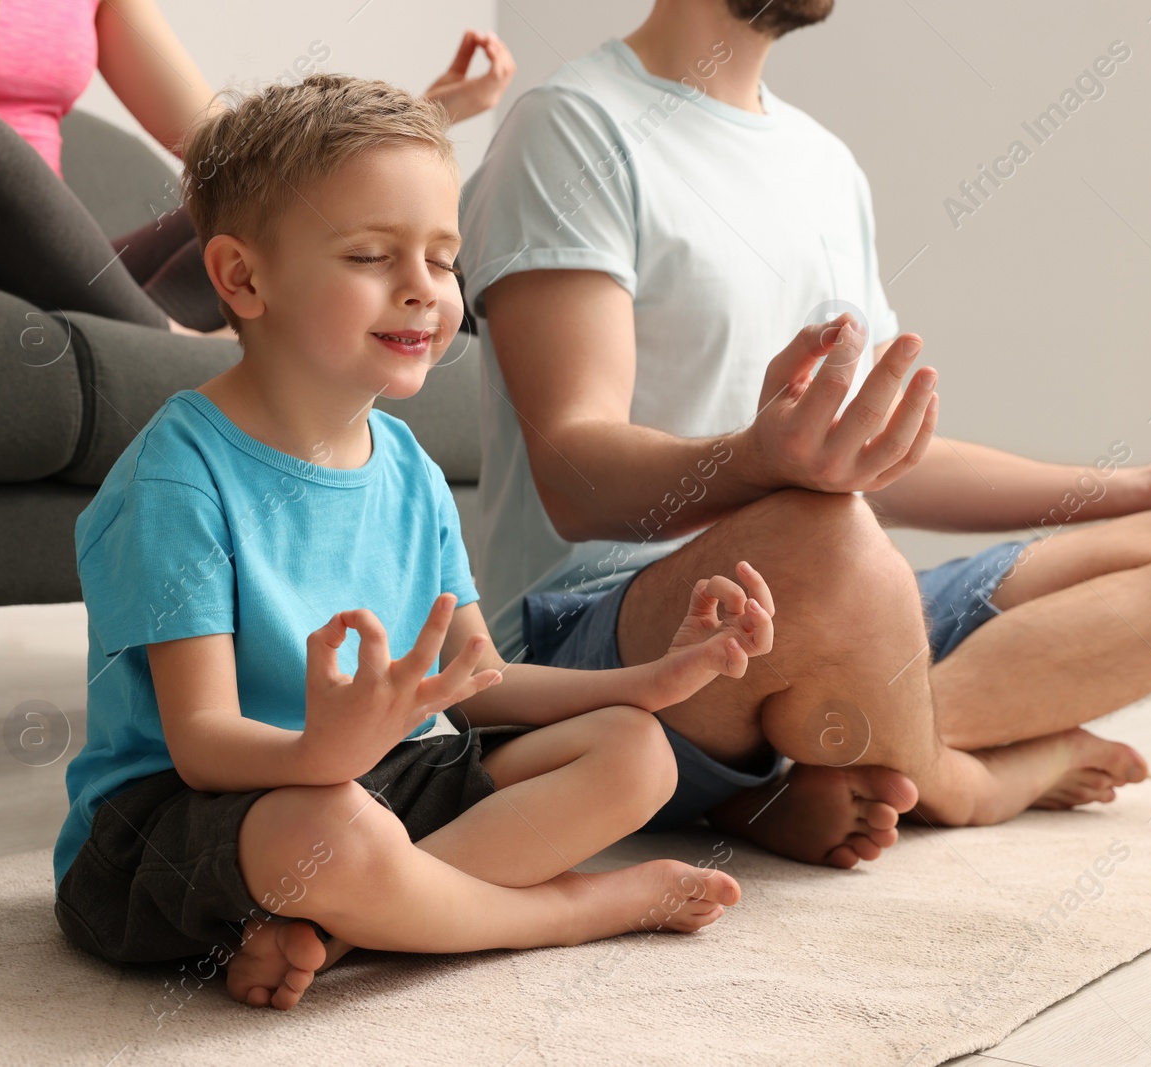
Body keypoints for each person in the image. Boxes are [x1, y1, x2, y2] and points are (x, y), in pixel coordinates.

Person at [458, 0, 1151, 866]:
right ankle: (959, 780)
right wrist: (755, 462)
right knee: (827, 527)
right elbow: (572, 474)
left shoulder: (824, 164)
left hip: (833, 600)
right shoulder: (571, 128)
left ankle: (813, 763)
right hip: (597, 637)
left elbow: (877, 466)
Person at [52, 74, 761, 1013]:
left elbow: (477, 683)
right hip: (184, 821)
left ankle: (342, 929)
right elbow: (203, 746)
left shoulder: (412, 470)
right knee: (336, 823)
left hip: (374, 779)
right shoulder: (180, 473)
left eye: (442, 256)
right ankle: (561, 911)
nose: (425, 290)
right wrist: (326, 748)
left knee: (640, 753)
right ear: (242, 277)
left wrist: (646, 683)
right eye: (372, 254)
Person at [0, 0, 515, 333]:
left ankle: (143, 335)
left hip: (39, 256)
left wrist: (414, 121)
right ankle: (172, 352)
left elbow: (227, 147)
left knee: (271, 200)